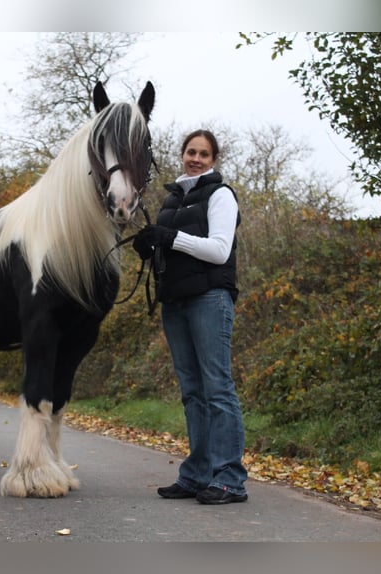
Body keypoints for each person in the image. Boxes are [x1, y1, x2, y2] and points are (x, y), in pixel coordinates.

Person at [133, 129, 248, 505]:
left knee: (217, 388)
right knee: (192, 393)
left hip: (210, 298)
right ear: (182, 155)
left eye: (203, 154)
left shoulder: (220, 195)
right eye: (190, 152)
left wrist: (170, 237)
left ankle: (229, 478)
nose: (195, 158)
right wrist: (149, 247)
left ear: (213, 160)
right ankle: (198, 474)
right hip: (176, 302)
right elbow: (172, 246)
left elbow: (218, 249)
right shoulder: (172, 199)